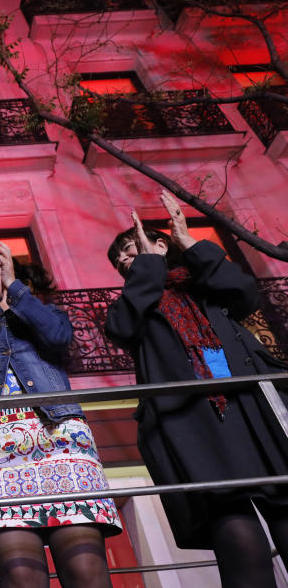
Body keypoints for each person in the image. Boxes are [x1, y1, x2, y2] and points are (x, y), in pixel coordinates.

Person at [105, 190, 288, 588]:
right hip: (197, 424)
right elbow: (120, 329)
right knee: (238, 536)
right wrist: (147, 264)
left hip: (250, 411)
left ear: (161, 244)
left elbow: (243, 293)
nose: (123, 260)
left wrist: (188, 240)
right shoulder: (135, 304)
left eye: (129, 248)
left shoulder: (203, 284)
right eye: (120, 260)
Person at [0, 242, 121, 588]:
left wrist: (15, 290)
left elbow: (59, 337)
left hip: (61, 441)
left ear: (3, 271)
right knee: (21, 579)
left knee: (87, 575)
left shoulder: (46, 313)